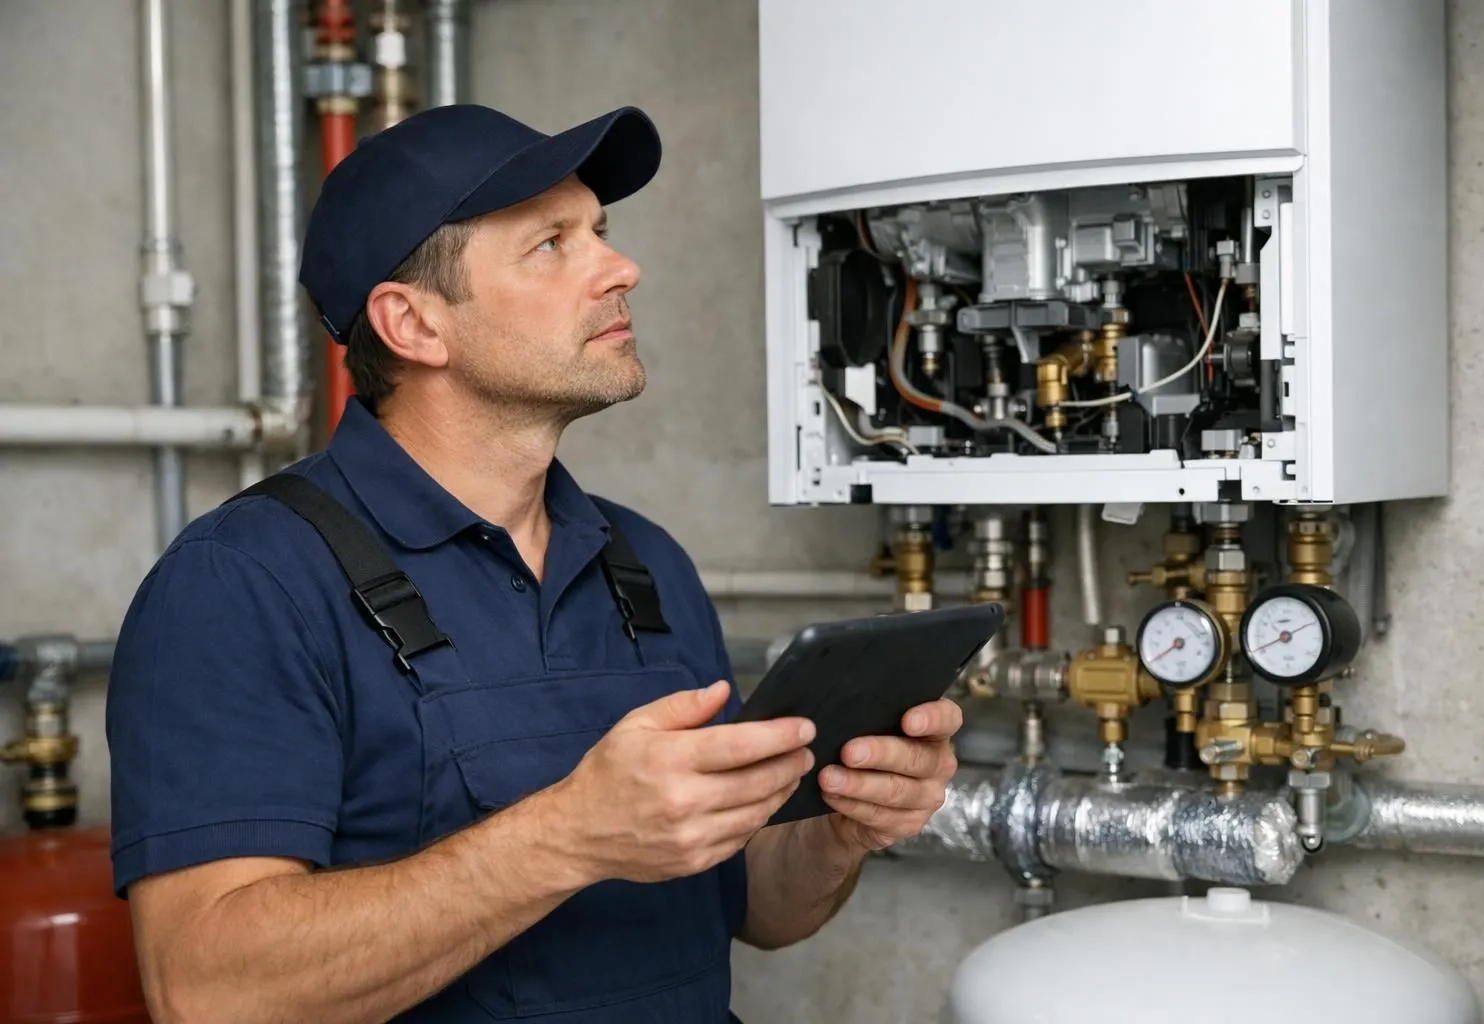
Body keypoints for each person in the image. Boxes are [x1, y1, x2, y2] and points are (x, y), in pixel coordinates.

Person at [104, 103, 963, 1024]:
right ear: (414, 325)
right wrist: (567, 836)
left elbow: (756, 905)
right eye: (551, 244)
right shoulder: (246, 583)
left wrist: (841, 828)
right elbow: (207, 991)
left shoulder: (645, 565)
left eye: (601, 232)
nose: (621, 268)